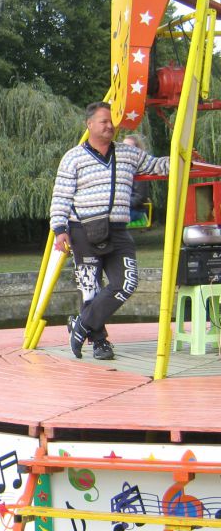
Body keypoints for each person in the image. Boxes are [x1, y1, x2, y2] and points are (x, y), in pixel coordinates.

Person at [50, 102, 169, 360]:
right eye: (103, 121)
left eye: (111, 121)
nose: (109, 126)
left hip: (117, 230)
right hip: (82, 230)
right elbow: (61, 196)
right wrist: (60, 229)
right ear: (89, 124)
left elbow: (157, 165)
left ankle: (81, 325)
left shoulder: (128, 154)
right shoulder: (73, 157)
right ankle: (100, 342)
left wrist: (184, 158)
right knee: (90, 288)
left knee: (126, 282)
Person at [123, 134, 152, 223]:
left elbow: (140, 197)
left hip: (135, 210)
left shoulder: (139, 169)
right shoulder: (123, 166)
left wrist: (121, 202)